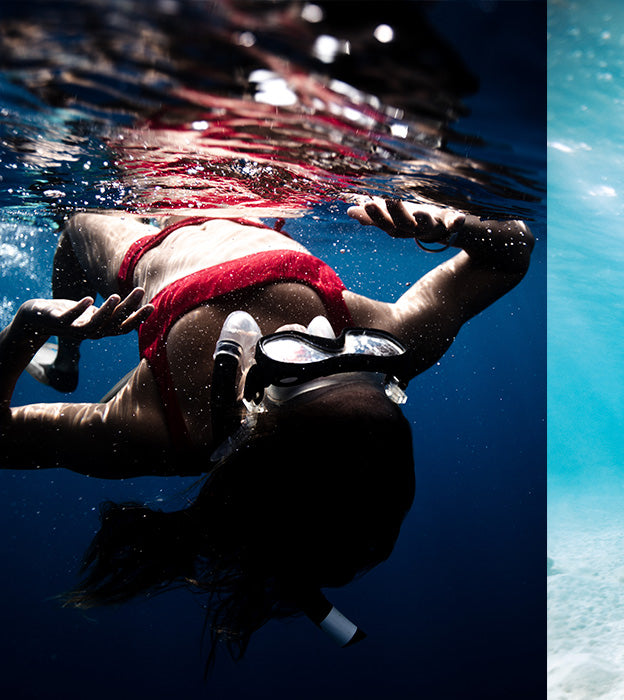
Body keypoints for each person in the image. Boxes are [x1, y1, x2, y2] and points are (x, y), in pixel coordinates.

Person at [0, 198, 533, 668]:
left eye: (307, 364)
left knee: (74, 225)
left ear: (255, 418)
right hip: (251, 204)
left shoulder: (160, 428)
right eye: (357, 361)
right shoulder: (384, 340)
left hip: (150, 253)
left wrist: (26, 328)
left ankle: (65, 355)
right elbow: (513, 251)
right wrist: (459, 227)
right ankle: (66, 363)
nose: (325, 333)